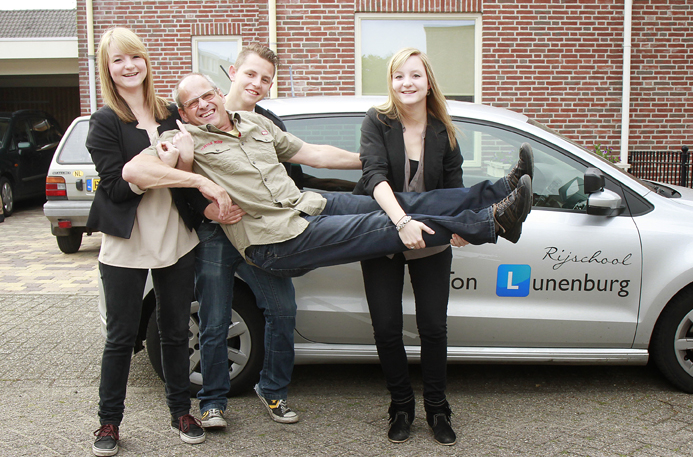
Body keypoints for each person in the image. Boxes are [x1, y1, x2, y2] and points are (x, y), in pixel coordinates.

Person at [121, 72, 533, 282]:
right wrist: (201, 181)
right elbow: (133, 170)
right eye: (192, 103)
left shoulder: (255, 123)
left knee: (402, 203)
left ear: (218, 92)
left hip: (308, 206)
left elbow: (314, 153)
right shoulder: (183, 139)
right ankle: (492, 222)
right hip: (275, 240)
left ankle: (501, 190)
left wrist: (373, 162)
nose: (203, 105)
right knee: (386, 224)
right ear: (184, 113)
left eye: (207, 95)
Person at [353, 47, 533, 446]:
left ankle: (437, 408)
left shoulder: (443, 131)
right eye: (399, 76)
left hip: (430, 237)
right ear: (391, 82)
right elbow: (373, 177)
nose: (407, 83)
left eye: (415, 75)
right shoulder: (376, 121)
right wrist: (401, 222)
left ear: (428, 82)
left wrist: (460, 225)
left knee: (433, 327)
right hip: (383, 231)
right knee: (386, 328)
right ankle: (401, 406)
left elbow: (453, 190)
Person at [194, 43, 336, 429]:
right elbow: (178, 174)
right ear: (232, 72)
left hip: (262, 232)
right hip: (216, 233)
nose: (257, 83)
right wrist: (205, 208)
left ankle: (272, 389)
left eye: (266, 79)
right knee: (214, 317)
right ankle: (212, 401)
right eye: (250, 74)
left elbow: (293, 172)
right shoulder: (202, 113)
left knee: (282, 309)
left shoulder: (267, 122)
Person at [86, 28, 210, 457]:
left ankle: (181, 412)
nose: (129, 66)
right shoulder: (104, 122)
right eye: (118, 60)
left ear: (146, 61)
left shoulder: (170, 113)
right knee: (121, 337)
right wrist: (155, 166)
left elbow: (189, 173)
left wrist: (181, 163)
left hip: (175, 235)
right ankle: (109, 421)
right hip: (127, 241)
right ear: (107, 69)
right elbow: (116, 188)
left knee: (175, 331)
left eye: (134, 56)